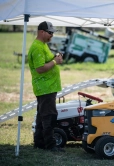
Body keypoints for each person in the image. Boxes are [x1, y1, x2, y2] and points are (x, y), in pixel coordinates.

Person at [28, 21, 64, 152]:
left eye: (53, 33)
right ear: (41, 32)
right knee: (49, 115)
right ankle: (50, 145)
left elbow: (46, 62)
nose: (52, 35)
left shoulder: (43, 45)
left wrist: (55, 58)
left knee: (42, 115)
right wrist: (55, 61)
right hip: (45, 87)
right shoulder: (37, 47)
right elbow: (40, 68)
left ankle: (39, 142)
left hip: (48, 87)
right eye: (50, 33)